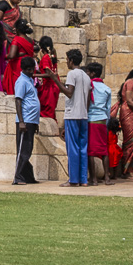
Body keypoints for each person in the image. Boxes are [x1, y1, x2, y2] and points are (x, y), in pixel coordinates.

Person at [41, 48, 90, 186]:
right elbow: (87, 100)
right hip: (83, 116)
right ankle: (83, 179)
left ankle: (74, 180)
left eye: (67, 59)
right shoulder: (86, 76)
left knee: (73, 147)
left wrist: (55, 79)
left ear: (72, 60)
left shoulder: (72, 74)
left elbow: (69, 92)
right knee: (82, 147)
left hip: (73, 115)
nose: (66, 62)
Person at [12, 57, 40, 185]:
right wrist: (21, 121)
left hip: (32, 120)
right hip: (25, 120)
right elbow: (18, 100)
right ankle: (17, 177)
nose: (31, 71)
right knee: (23, 150)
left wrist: (36, 123)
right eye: (29, 69)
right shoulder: (21, 81)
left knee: (28, 149)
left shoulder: (29, 81)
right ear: (24, 69)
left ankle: (28, 176)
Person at [86, 62, 113, 185]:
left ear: (92, 73)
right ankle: (107, 178)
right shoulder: (106, 89)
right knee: (104, 150)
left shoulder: (89, 86)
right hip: (102, 120)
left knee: (91, 151)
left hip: (91, 119)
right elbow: (108, 108)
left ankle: (93, 178)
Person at [36, 35, 61, 120]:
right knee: (50, 112)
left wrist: (34, 75)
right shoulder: (53, 56)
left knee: (46, 113)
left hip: (48, 88)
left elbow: (48, 74)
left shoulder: (46, 57)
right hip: (54, 87)